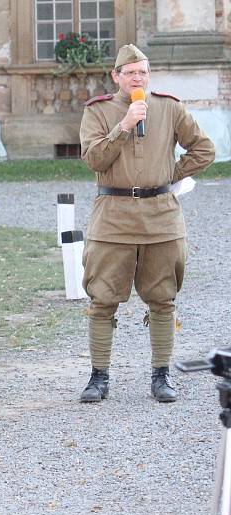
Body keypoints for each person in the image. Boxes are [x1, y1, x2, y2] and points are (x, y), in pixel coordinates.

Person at [78, 44, 215, 403]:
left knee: (163, 299)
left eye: (143, 72)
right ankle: (99, 377)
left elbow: (204, 149)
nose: (138, 78)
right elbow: (93, 159)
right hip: (113, 218)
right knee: (102, 298)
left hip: (161, 219)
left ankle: (161, 375)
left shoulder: (169, 107)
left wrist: (171, 174)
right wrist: (123, 126)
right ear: (116, 77)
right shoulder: (99, 112)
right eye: (131, 73)